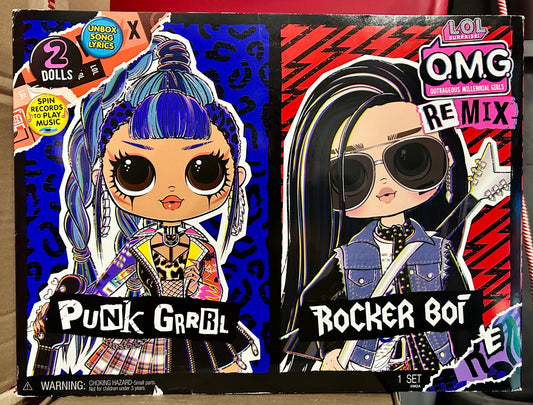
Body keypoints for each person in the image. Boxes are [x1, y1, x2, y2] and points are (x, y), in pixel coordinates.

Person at [32, 33, 258, 375]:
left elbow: (212, 291)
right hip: (143, 336)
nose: (171, 192)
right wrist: (65, 309)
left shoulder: (202, 248)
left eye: (203, 171)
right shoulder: (137, 246)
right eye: (135, 172)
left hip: (195, 330)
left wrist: (197, 288)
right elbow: (104, 289)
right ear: (101, 175)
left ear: (236, 176)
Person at [281, 56, 473, 372]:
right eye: (351, 173)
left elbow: (463, 311)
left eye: (410, 158)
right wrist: (328, 354)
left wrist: (470, 366)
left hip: (433, 365)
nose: (384, 185)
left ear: (447, 155)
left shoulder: (437, 250)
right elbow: (313, 304)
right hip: (368, 367)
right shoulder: (348, 257)